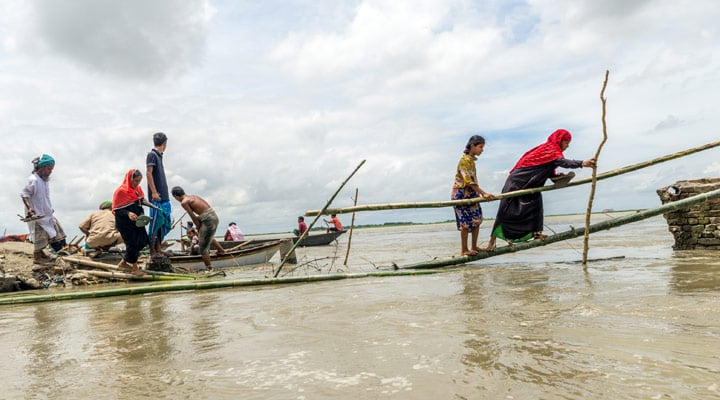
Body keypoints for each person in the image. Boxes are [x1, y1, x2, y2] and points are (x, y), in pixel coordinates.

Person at [486, 129, 597, 250]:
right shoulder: (549, 150)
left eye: (568, 144)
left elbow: (546, 167)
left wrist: (556, 177)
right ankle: (491, 243)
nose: (567, 146)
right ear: (559, 141)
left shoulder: (551, 152)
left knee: (536, 203)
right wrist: (582, 163)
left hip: (531, 185)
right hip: (517, 182)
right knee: (505, 210)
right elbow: (562, 162)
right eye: (566, 143)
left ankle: (536, 233)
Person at [451, 135, 496, 256]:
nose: (482, 150)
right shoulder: (464, 161)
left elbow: (472, 182)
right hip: (461, 194)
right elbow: (468, 182)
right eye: (480, 147)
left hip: (471, 193)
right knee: (465, 224)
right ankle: (464, 250)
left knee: (477, 220)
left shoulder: (471, 161)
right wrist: (484, 193)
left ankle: (474, 246)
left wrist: (480, 193)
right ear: (472, 146)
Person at [20, 154, 67, 265]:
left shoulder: (44, 181)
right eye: (49, 169)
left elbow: (44, 198)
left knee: (54, 233)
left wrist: (49, 208)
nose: (50, 171)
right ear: (42, 167)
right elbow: (24, 194)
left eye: (52, 169)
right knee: (39, 234)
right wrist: (30, 208)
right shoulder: (33, 180)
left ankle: (41, 254)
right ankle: (37, 257)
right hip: (37, 214)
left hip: (47, 213)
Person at [171, 186, 226, 270]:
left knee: (202, 248)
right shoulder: (193, 196)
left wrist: (198, 226)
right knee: (207, 236)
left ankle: (209, 268)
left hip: (208, 220)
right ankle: (221, 250)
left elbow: (193, 217)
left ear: (175, 196)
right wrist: (199, 227)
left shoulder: (184, 202)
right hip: (212, 216)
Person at [112, 169, 150, 276]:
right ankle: (135, 268)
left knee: (143, 241)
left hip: (137, 221)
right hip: (125, 223)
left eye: (139, 181)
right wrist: (128, 213)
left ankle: (123, 262)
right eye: (135, 181)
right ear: (130, 179)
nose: (137, 183)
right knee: (132, 243)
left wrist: (142, 215)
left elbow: (140, 203)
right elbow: (117, 209)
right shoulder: (120, 191)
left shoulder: (138, 190)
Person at [146, 132, 172, 257]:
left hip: (164, 197)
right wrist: (154, 192)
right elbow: (148, 173)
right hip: (157, 197)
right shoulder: (152, 155)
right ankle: (152, 250)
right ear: (164, 144)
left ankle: (158, 248)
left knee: (164, 223)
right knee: (155, 224)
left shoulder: (159, 156)